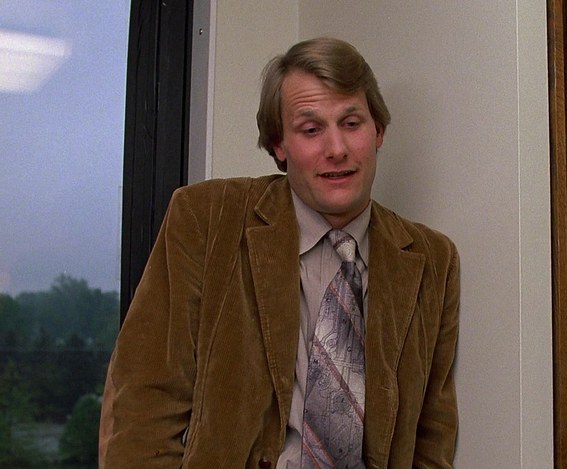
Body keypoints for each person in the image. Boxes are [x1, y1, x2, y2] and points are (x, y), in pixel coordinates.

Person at [99, 37, 460, 468]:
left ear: (378, 131)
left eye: (351, 123)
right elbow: (144, 402)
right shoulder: (206, 219)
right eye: (311, 130)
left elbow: (432, 435)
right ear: (278, 145)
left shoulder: (432, 260)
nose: (337, 149)